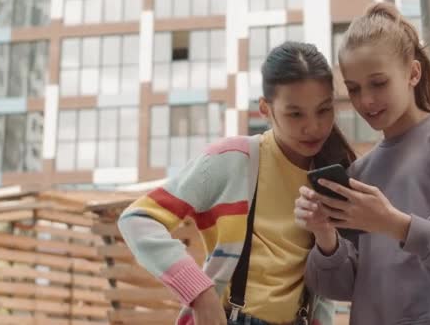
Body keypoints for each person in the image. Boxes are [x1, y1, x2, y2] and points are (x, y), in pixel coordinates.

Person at [294, 1, 430, 325]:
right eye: (353, 89)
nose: (366, 100)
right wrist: (324, 234)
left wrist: (395, 224)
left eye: (378, 83)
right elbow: (341, 286)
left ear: (413, 73)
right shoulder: (359, 174)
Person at [118, 41, 356, 325]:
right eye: (295, 114)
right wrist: (200, 293)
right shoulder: (232, 159)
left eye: (324, 110)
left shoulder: (333, 176)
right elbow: (138, 219)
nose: (313, 126)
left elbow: (327, 288)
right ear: (265, 109)